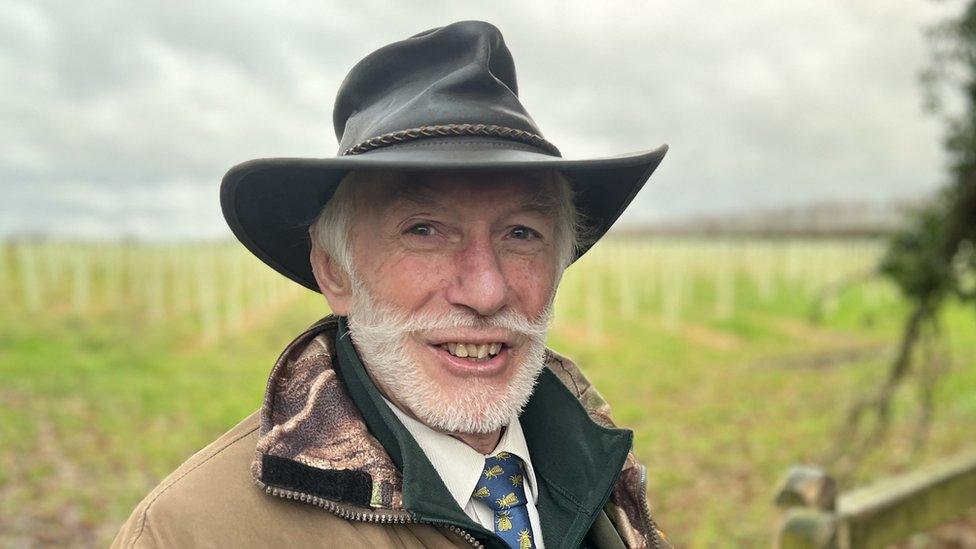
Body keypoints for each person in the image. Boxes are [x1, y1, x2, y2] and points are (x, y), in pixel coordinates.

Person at [113, 20, 669, 549]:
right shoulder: (194, 532)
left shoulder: (593, 449)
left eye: (521, 233)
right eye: (423, 230)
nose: (485, 291)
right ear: (334, 269)